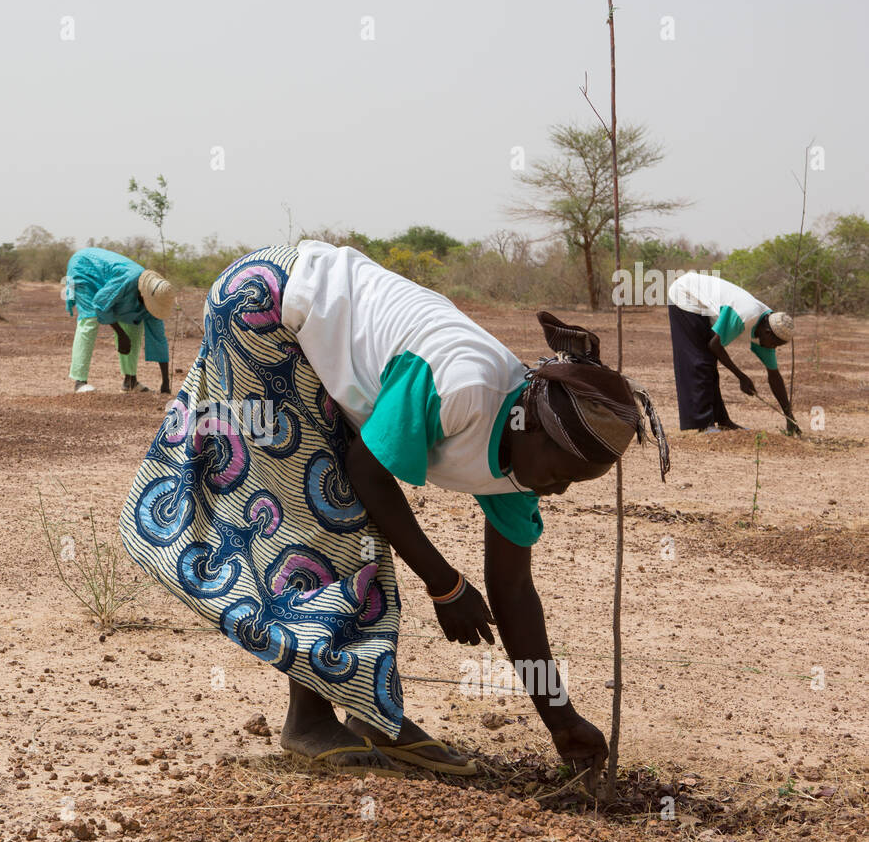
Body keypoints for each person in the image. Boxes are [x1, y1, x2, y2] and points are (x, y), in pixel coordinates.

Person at [120, 242, 669, 780]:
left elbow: (514, 592)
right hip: (270, 302)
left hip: (313, 324)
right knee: (330, 514)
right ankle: (314, 719)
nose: (559, 493)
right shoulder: (461, 386)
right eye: (561, 475)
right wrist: (444, 584)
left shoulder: (524, 474)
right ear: (534, 425)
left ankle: (366, 707)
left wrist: (561, 718)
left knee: (345, 517)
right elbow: (368, 473)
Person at [666, 272, 798, 434]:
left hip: (701, 301)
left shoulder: (769, 329)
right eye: (774, 344)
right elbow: (714, 345)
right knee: (699, 361)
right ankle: (704, 424)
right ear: (768, 332)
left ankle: (722, 420)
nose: (773, 348)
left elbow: (774, 375)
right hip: (685, 295)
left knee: (708, 362)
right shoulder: (745, 314)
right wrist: (741, 376)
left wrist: (789, 417)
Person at [64, 247, 173, 394]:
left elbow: (159, 339)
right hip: (84, 268)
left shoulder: (155, 301)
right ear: (143, 294)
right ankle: (79, 382)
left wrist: (165, 383)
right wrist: (121, 334)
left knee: (133, 324)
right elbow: (100, 304)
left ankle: (130, 382)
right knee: (90, 319)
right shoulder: (128, 280)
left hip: (104, 280)